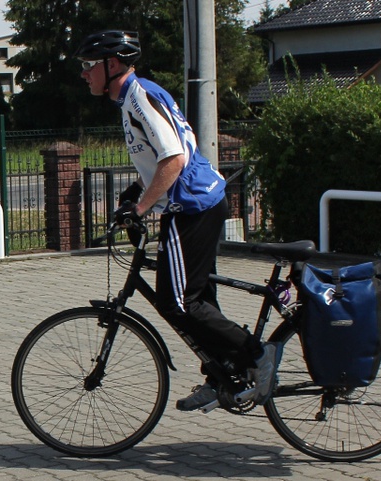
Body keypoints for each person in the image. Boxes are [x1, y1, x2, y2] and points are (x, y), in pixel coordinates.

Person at [75, 30, 282, 411]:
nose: (84, 74)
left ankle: (257, 354)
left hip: (192, 207)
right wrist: (135, 193)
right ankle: (223, 374)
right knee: (197, 299)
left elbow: (174, 159)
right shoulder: (134, 98)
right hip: (192, 206)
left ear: (113, 65)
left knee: (177, 302)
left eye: (89, 66)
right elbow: (161, 159)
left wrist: (139, 210)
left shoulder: (139, 97)